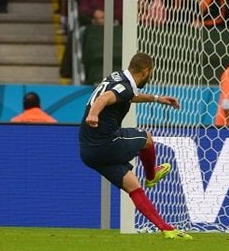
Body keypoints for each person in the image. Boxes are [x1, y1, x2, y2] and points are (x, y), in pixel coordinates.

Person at [79, 52, 192, 240]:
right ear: (146, 71)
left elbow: (127, 96)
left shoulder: (117, 78)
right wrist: (94, 113)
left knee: (133, 186)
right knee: (146, 138)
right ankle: (152, 176)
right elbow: (105, 98)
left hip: (88, 151)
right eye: (151, 73)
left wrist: (157, 98)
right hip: (106, 143)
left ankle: (166, 229)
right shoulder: (123, 87)